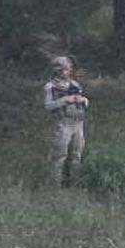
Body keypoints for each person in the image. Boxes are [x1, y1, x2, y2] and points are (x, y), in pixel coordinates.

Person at [44, 55, 88, 186]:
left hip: (78, 123)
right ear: (57, 70)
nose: (67, 72)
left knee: (76, 155)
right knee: (59, 156)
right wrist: (64, 101)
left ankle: (75, 183)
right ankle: (55, 185)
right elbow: (48, 105)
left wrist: (84, 101)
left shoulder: (75, 85)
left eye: (69, 69)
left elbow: (83, 100)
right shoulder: (50, 86)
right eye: (64, 69)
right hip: (63, 124)